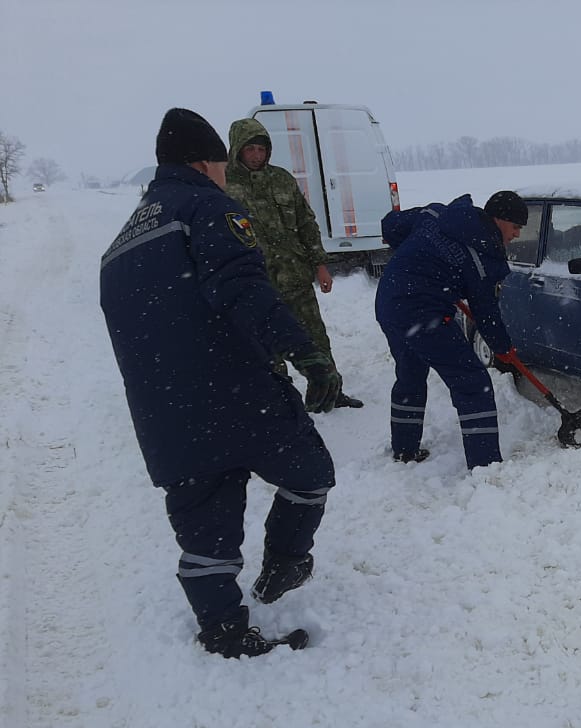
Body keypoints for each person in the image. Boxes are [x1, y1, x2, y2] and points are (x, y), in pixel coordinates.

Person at [99, 107, 341, 659]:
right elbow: (242, 286)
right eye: (223, 165)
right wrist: (307, 354)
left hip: (165, 413)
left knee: (204, 524)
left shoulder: (117, 247)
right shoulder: (205, 206)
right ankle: (285, 561)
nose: (228, 174)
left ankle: (224, 631)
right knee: (309, 474)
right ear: (205, 162)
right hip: (236, 391)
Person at [374, 190, 528, 468]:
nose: (516, 234)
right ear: (498, 219)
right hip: (422, 312)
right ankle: (486, 465)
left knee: (410, 374)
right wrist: (503, 347)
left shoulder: (437, 214)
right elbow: (486, 312)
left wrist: (416, 257)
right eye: (515, 226)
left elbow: (391, 225)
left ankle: (405, 450)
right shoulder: (484, 257)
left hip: (389, 301)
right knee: (472, 382)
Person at [224, 117, 363, 411]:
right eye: (250, 150)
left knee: (316, 341)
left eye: (262, 149)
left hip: (296, 279)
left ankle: (330, 395)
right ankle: (282, 408)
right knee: (268, 350)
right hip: (257, 285)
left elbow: (306, 223)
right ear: (237, 149)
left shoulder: (282, 179)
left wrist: (320, 265)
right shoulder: (224, 187)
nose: (257, 156)